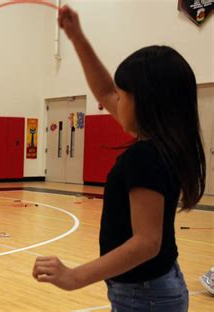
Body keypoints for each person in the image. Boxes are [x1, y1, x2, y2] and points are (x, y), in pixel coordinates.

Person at [32, 6, 205, 311]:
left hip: (146, 296)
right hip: (152, 289)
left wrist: (74, 276)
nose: (113, 101)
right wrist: (77, 38)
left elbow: (146, 242)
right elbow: (103, 90)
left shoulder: (145, 157)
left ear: (147, 104)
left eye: (122, 96)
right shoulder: (166, 145)